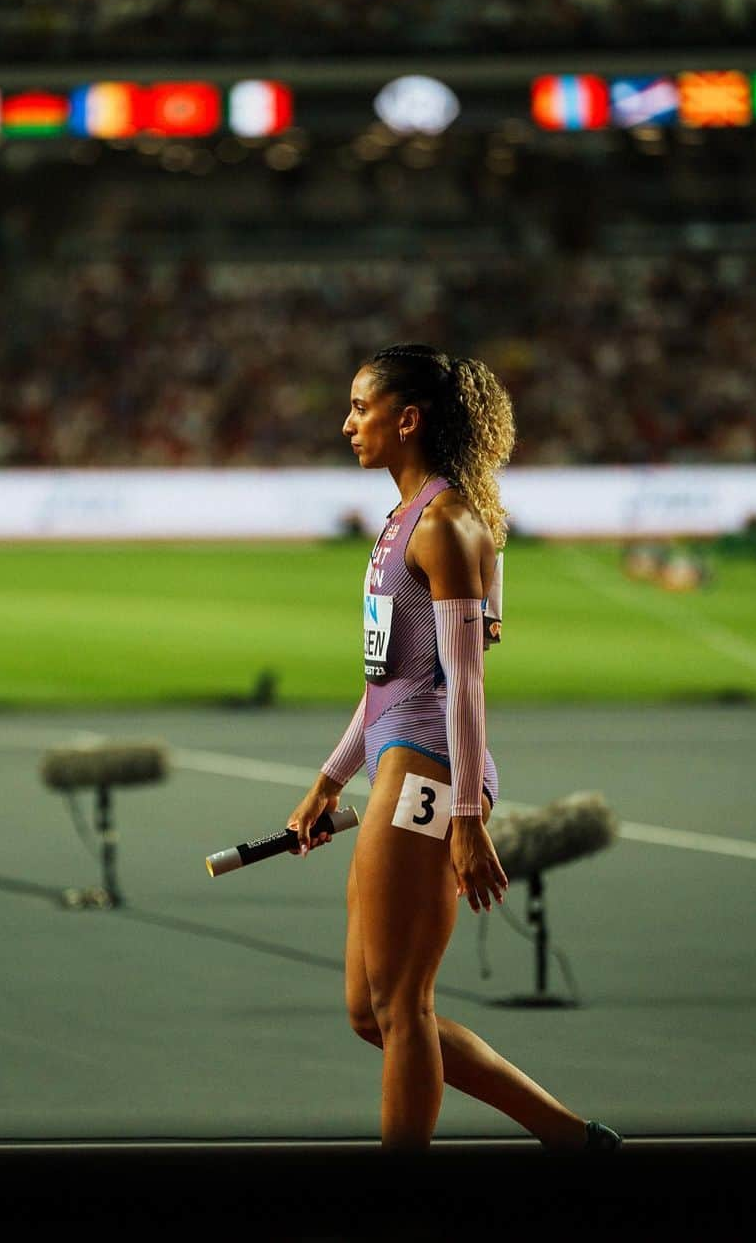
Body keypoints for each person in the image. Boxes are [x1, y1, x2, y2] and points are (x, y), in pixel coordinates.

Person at [287, 343, 621, 1153]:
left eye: (360, 408)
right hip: (395, 753)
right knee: (374, 1012)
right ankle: (572, 1140)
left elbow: (465, 686)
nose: (346, 423)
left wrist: (468, 817)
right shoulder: (402, 520)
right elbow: (387, 681)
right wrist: (332, 778)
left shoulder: (447, 526)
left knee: (404, 1005)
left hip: (430, 768)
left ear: (407, 419)